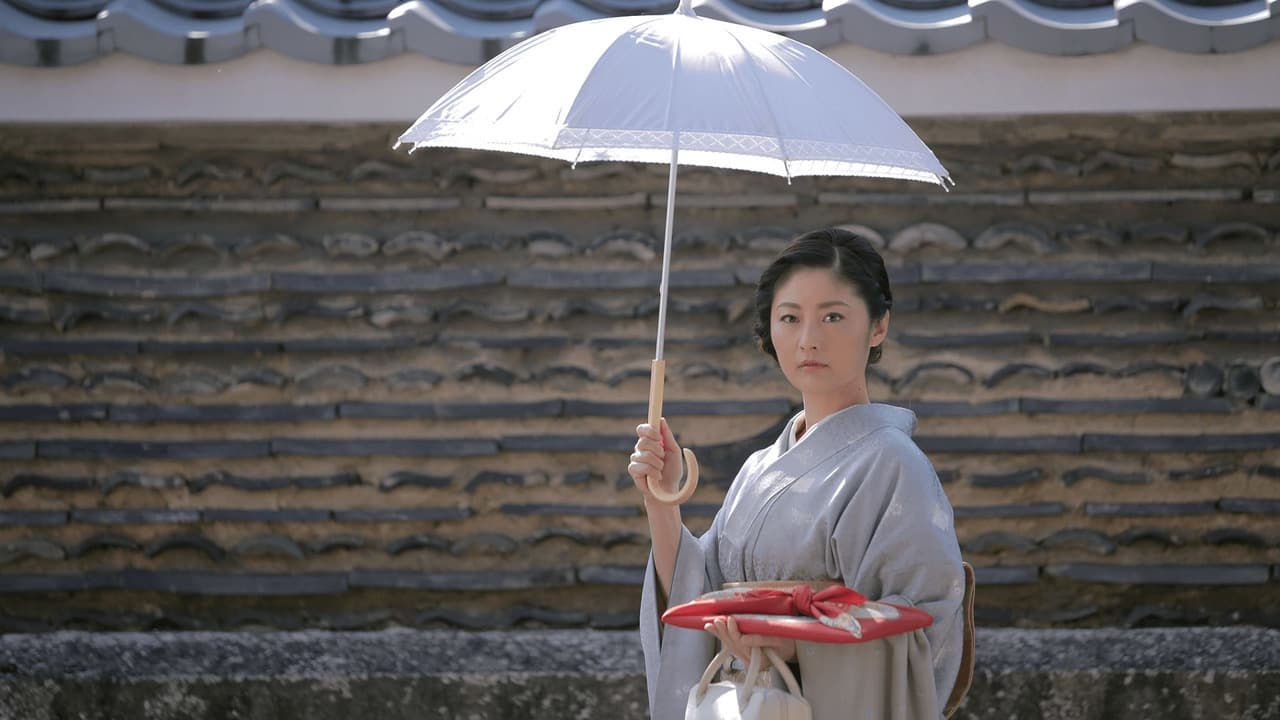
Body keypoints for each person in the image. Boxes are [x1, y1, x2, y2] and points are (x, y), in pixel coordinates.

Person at [628, 227, 965, 720]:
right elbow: (695, 592)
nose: (809, 340)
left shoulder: (893, 464)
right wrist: (662, 502)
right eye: (789, 318)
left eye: (833, 316)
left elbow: (924, 626)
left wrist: (797, 647)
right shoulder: (758, 470)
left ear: (878, 326)